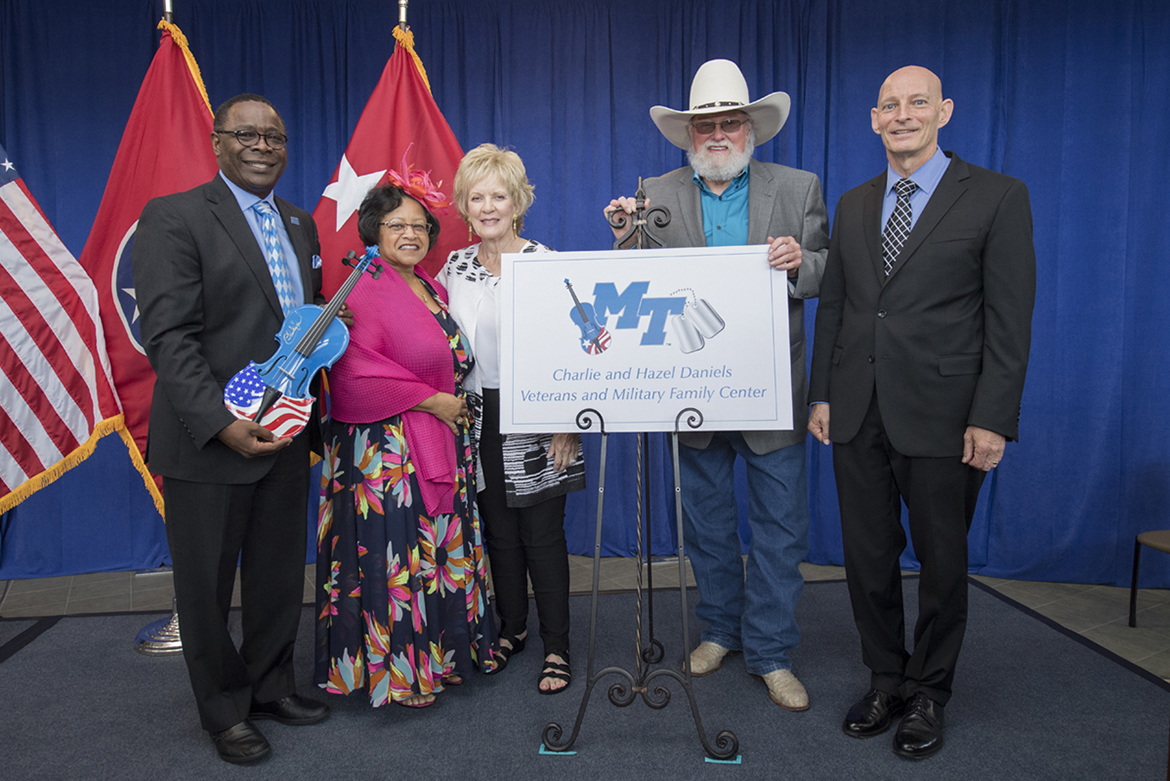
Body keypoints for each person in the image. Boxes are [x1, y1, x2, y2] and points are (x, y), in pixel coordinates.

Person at [807, 66, 1036, 759]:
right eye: (890, 105)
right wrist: (821, 393)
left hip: (947, 414)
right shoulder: (852, 204)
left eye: (918, 103)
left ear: (944, 112)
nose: (903, 115)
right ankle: (886, 678)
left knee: (941, 562)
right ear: (874, 119)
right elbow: (839, 308)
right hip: (856, 411)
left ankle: (930, 691)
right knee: (867, 559)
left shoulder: (998, 197)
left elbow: (1009, 319)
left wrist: (992, 416)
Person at [605, 59, 829, 710]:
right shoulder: (657, 191)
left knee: (780, 529)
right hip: (692, 390)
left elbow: (826, 270)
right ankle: (721, 631)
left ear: (751, 127)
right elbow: (634, 282)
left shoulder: (798, 187)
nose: (718, 133)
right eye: (706, 124)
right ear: (689, 134)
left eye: (730, 121)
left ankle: (770, 651)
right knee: (705, 525)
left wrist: (798, 263)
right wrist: (623, 239)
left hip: (770, 388)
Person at [133, 94, 335, 764]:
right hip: (209, 439)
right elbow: (169, 337)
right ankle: (224, 709)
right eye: (245, 134)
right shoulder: (175, 217)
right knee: (206, 584)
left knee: (278, 575)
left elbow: (297, 326)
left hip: (284, 431)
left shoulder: (299, 222)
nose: (261, 146)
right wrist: (222, 424)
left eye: (274, 137)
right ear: (217, 141)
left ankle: (272, 684)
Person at [315, 175, 500, 709]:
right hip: (385, 458)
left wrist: (446, 406)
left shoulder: (431, 285)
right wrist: (435, 402)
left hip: (439, 441)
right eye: (397, 224)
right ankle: (401, 672)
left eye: (420, 225)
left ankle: (441, 656)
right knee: (399, 560)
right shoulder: (358, 286)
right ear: (374, 230)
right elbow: (352, 373)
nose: (411, 233)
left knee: (435, 554)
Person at [439, 144, 586, 694]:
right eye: (476, 197)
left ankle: (558, 647)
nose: (487, 206)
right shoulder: (454, 267)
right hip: (476, 415)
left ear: (518, 201)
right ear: (465, 206)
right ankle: (512, 631)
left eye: (498, 195)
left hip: (540, 413)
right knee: (497, 534)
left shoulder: (546, 264)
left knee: (542, 536)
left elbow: (574, 348)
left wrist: (569, 421)